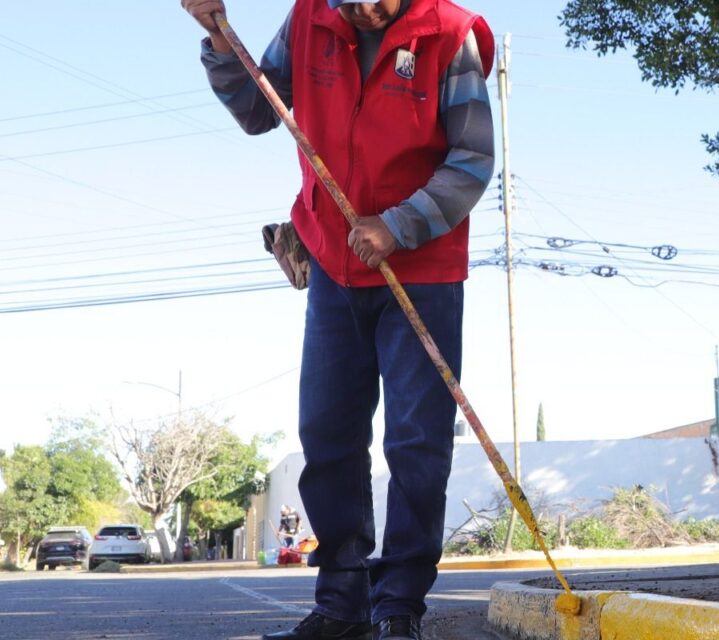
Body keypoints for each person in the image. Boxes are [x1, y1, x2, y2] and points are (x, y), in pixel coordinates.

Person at [181, 1, 495, 638]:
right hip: (332, 260)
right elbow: (255, 108)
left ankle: (399, 605)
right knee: (327, 434)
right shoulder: (308, 20)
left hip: (422, 268)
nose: (360, 9)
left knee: (416, 442)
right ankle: (342, 606)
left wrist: (398, 225)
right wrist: (217, 38)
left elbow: (470, 162)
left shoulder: (449, 35)